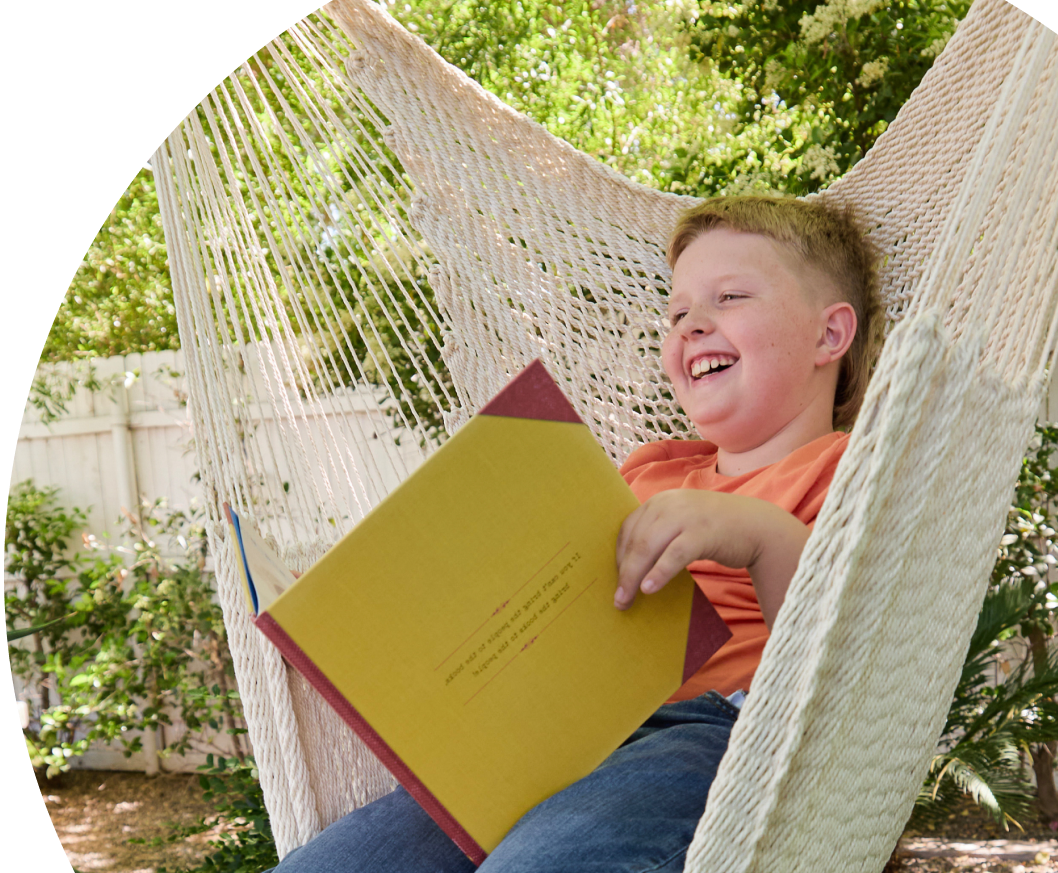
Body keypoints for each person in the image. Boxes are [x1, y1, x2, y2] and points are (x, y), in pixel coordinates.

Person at [267, 195, 883, 872]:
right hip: (551, 734)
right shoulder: (647, 471)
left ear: (830, 336)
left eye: (729, 297)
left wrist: (760, 533)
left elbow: (850, 662)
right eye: (677, 313)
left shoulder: (853, 468)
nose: (691, 326)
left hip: (718, 737)